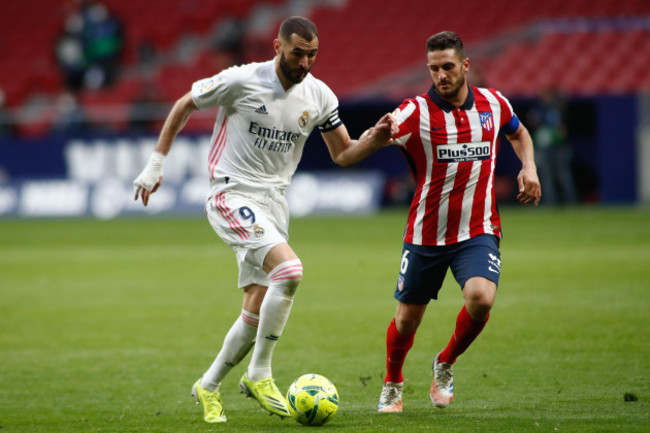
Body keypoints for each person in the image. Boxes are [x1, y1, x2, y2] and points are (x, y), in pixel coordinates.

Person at [133, 16, 396, 424]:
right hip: (230, 193)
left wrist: (375, 140)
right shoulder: (242, 80)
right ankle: (260, 373)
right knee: (289, 271)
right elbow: (185, 103)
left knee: (256, 307)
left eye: (312, 54)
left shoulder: (320, 96)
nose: (305, 61)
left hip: (274, 202)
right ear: (277, 46)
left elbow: (343, 153)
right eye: (297, 53)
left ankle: (208, 385)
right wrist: (155, 164)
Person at [375, 31, 541, 413]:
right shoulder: (414, 111)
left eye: (448, 66)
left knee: (481, 298)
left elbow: (519, 133)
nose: (441, 75)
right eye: (433, 68)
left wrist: (529, 167)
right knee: (406, 320)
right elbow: (377, 136)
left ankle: (445, 362)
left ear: (465, 65)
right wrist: (362, 141)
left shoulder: (494, 103)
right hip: (426, 233)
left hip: (478, 228)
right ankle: (392, 382)